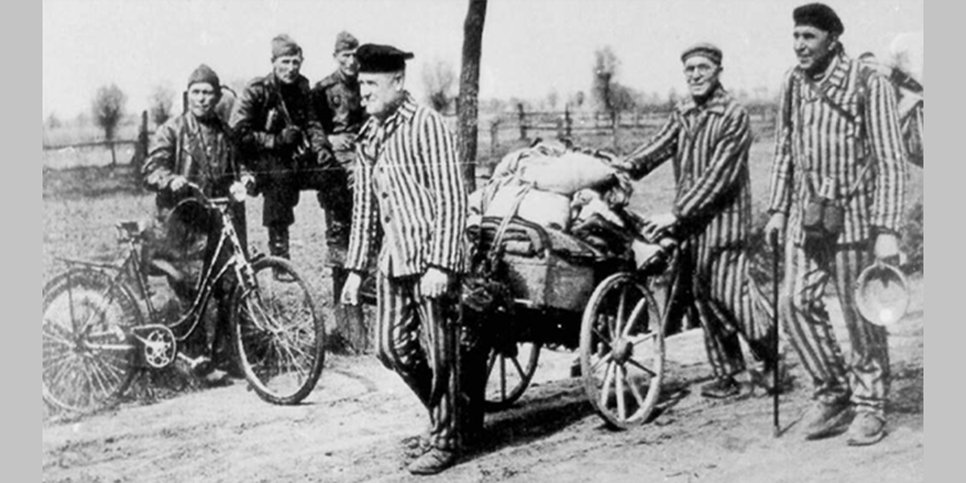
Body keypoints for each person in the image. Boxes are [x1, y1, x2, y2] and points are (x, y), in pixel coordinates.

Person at [764, 3, 907, 446]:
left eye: (809, 36)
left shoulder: (869, 83)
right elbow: (785, 149)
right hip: (809, 219)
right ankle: (832, 391)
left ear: (832, 38)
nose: (800, 45)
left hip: (857, 218)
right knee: (792, 303)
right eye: (796, 37)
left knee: (859, 316)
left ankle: (870, 406)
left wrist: (886, 229)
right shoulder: (793, 82)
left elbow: (890, 159)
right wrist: (776, 209)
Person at [615, 43, 778, 399]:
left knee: (731, 295)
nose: (696, 75)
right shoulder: (684, 111)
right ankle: (731, 375)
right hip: (692, 227)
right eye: (689, 69)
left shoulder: (733, 115)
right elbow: (659, 145)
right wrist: (625, 166)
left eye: (703, 67)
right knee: (704, 300)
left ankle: (771, 360)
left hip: (724, 223)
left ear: (719, 70)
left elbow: (719, 177)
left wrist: (675, 213)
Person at [339, 43, 467, 475]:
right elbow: (365, 210)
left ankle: (448, 437)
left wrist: (443, 265)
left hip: (431, 261)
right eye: (360, 85)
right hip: (394, 261)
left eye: (371, 84)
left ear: (398, 82)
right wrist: (356, 270)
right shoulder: (370, 136)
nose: (363, 94)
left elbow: (452, 197)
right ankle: (454, 412)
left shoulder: (426, 124)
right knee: (389, 347)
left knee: (443, 352)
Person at [142, 64, 254, 383]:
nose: (203, 99)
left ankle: (228, 355)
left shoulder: (225, 132)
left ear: (217, 96)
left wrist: (245, 179)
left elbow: (243, 166)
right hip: (183, 225)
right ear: (188, 95)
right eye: (197, 93)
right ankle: (194, 361)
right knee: (190, 291)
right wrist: (170, 180)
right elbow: (150, 170)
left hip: (220, 224)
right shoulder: (171, 130)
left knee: (230, 287)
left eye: (209, 93)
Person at [229, 34, 327, 263]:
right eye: (285, 62)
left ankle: (339, 237)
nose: (291, 68)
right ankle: (279, 252)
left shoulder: (302, 88)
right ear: (273, 62)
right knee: (279, 176)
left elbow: (312, 123)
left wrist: (321, 148)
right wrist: (275, 140)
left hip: (292, 156)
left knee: (331, 172)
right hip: (257, 159)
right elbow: (238, 133)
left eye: (295, 62)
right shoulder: (257, 89)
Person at [311, 31, 367, 351]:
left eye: (354, 56)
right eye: (344, 56)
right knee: (340, 245)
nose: (350, 62)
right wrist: (330, 142)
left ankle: (361, 329)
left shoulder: (367, 85)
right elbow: (314, 128)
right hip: (337, 170)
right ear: (335, 57)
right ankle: (346, 330)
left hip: (365, 158)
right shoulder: (323, 91)